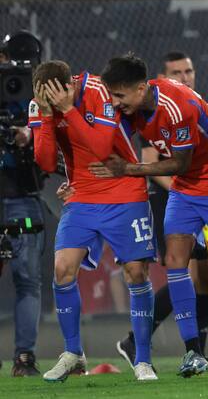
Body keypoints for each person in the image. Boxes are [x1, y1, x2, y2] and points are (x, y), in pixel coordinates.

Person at [90, 54, 208, 378]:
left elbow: (180, 162)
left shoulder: (177, 106)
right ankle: (193, 351)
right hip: (186, 190)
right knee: (175, 261)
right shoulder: (133, 108)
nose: (115, 102)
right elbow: (106, 140)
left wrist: (130, 170)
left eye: (120, 96)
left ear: (141, 88)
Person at [29, 61, 157, 382]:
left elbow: (101, 148)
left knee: (136, 271)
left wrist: (69, 109)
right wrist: (47, 115)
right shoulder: (40, 104)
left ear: (69, 86)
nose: (50, 103)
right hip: (82, 195)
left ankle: (142, 359)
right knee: (62, 269)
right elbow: (44, 161)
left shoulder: (99, 90)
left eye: (54, 98)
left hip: (124, 189)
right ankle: (73, 352)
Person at [114, 51, 208, 370]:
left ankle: (198, 349)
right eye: (177, 71)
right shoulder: (156, 109)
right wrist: (189, 194)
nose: (185, 76)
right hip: (169, 197)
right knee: (183, 271)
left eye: (189, 70)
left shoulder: (189, 103)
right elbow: (153, 163)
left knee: (204, 275)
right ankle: (135, 340)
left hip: (192, 194)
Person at [0, 42, 44, 377]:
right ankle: (23, 358)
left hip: (23, 191)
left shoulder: (36, 98)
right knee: (27, 280)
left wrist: (31, 133)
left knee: (27, 278)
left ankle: (24, 357)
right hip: (20, 196)